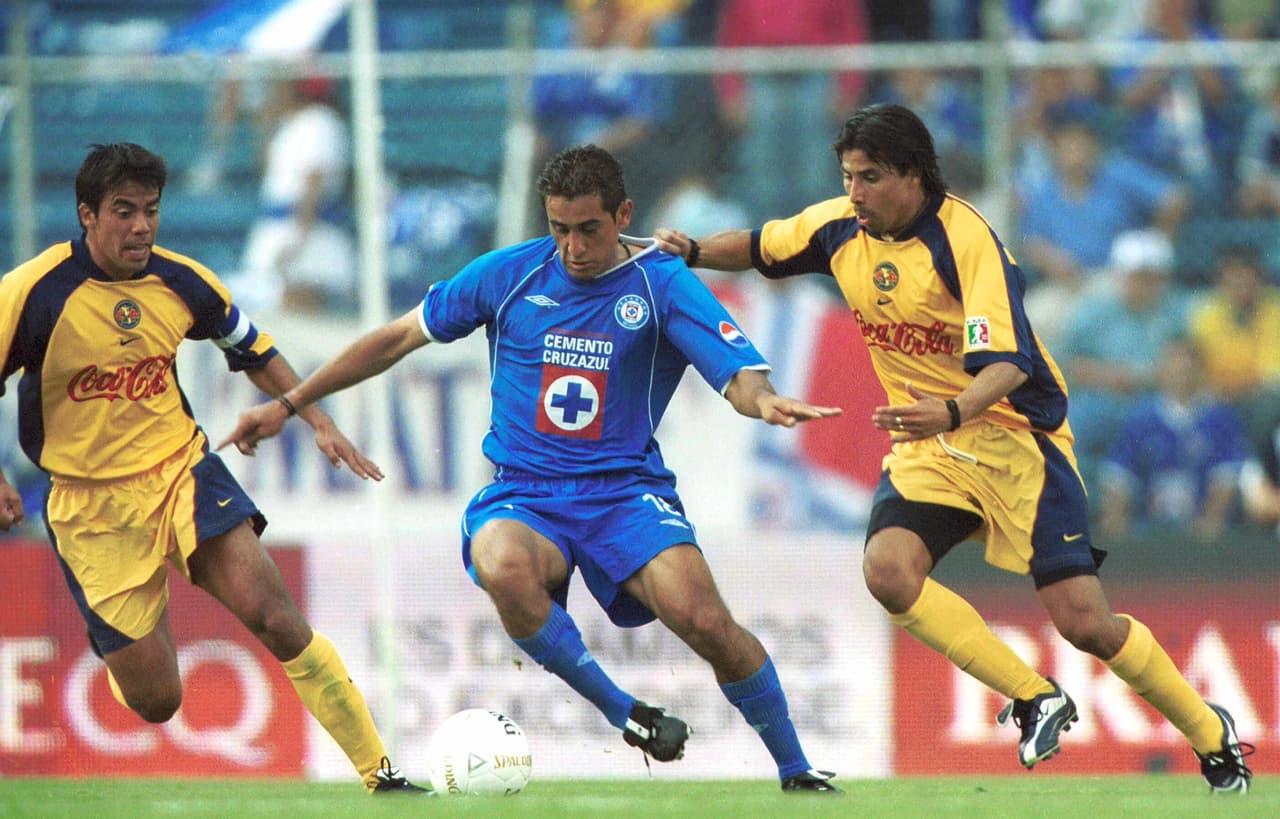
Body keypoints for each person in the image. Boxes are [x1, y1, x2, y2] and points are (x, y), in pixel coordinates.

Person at [654, 103, 1254, 793]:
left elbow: (1010, 364)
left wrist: (950, 410)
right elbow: (761, 247)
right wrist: (693, 252)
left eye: (869, 177)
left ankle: (1211, 733)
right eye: (848, 176)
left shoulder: (966, 240)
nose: (854, 192)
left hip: (1017, 442)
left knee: (1085, 623)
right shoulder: (839, 226)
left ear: (912, 175)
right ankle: (1035, 696)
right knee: (888, 571)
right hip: (932, 447)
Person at [218, 144, 845, 792]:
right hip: (525, 493)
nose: (573, 247)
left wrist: (763, 401)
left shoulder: (663, 282)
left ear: (623, 214)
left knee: (705, 621)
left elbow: (738, 374)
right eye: (559, 228)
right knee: (500, 562)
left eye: (589, 229)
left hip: (625, 492)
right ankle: (626, 712)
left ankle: (796, 768)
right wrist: (290, 403)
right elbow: (397, 337)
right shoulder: (510, 273)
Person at [0, 144, 424, 795]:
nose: (141, 226)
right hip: (90, 507)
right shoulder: (32, 292)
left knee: (274, 614)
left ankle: (382, 775)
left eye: (151, 210)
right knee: (156, 700)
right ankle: (119, 638)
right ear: (87, 214)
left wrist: (316, 418)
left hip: (180, 473)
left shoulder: (182, 281)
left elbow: (254, 350)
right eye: (123, 212)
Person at [1095, 338, 1250, 542]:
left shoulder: (1219, 418)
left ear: (1200, 370)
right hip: (1149, 531)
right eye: (1173, 364)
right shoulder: (1141, 418)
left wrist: (1209, 525)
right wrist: (1116, 528)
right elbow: (1118, 475)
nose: (1180, 372)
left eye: (1187, 366)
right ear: (1160, 369)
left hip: (1203, 532)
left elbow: (1227, 476)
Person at [237, 73, 356, 314]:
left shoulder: (319, 120)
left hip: (303, 224)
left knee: (301, 302)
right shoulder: (292, 123)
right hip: (281, 222)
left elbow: (314, 179)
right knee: (281, 307)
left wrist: (299, 235)